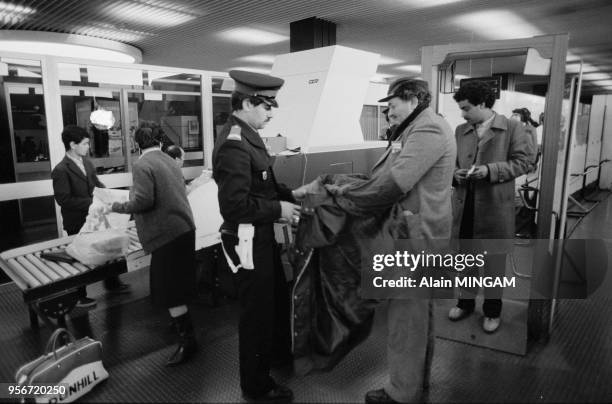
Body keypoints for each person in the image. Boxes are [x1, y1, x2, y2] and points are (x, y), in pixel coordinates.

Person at [296, 78, 456, 403]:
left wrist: (342, 196)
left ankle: (401, 392)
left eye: (391, 104)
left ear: (411, 98)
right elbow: (383, 178)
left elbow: (391, 186)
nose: (388, 111)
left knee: (405, 316)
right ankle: (415, 384)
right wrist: (348, 185)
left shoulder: (428, 129)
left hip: (415, 237)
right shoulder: (414, 129)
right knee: (416, 313)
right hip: (415, 233)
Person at [213, 70, 300, 403]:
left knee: (275, 297)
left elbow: (263, 184)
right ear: (247, 102)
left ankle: (277, 355)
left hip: (261, 236)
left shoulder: (249, 135)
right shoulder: (235, 143)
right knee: (256, 313)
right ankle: (257, 386)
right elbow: (235, 206)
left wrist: (293, 195)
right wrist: (278, 209)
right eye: (266, 105)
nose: (271, 112)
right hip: (247, 240)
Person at [449, 81, 535, 333]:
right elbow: (452, 164)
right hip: (465, 207)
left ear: (483, 104)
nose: (463, 114)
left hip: (495, 208)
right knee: (466, 261)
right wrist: (457, 175)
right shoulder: (460, 130)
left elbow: (524, 163)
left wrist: (490, 170)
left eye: (466, 108)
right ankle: (465, 302)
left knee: (493, 264)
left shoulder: (512, 127)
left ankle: (492, 311)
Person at [110, 127, 198, 367]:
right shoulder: (169, 160)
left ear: (136, 144)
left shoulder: (142, 165)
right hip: (183, 229)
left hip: (166, 234)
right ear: (160, 141)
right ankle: (184, 331)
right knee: (177, 286)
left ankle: (188, 342)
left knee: (168, 290)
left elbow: (144, 201)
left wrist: (116, 206)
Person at [51, 125, 129, 309]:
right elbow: (63, 199)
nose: (88, 147)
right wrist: (92, 203)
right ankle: (79, 295)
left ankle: (112, 283)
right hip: (76, 220)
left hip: (95, 217)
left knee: (106, 244)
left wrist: (107, 194)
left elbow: (96, 183)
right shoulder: (61, 170)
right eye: (85, 143)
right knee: (79, 256)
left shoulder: (87, 163)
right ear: (72, 144)